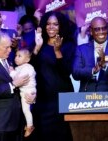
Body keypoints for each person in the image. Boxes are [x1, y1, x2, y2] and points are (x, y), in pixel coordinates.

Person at [72, 17, 108, 141]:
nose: (101, 32)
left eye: (104, 28)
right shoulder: (81, 49)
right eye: (97, 29)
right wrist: (93, 70)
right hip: (86, 102)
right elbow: (76, 73)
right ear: (91, 32)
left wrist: (106, 66)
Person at [0, 30, 35, 141]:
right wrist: (12, 84)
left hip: (17, 120)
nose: (10, 50)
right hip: (0, 123)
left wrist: (32, 95)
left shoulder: (9, 57)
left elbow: (24, 82)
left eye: (10, 46)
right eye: (6, 47)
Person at [29, 11, 76, 141]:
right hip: (43, 100)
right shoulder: (39, 44)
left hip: (62, 99)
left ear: (61, 26)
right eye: (48, 24)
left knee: (62, 135)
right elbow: (30, 69)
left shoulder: (69, 45)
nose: (51, 27)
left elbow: (66, 72)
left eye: (55, 24)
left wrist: (57, 51)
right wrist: (37, 48)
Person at [9, 48, 36, 137]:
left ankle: (30, 126)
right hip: (23, 91)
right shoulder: (19, 67)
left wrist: (12, 72)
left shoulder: (28, 68)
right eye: (16, 55)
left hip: (28, 91)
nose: (16, 58)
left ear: (27, 59)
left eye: (19, 56)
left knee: (26, 110)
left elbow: (19, 79)